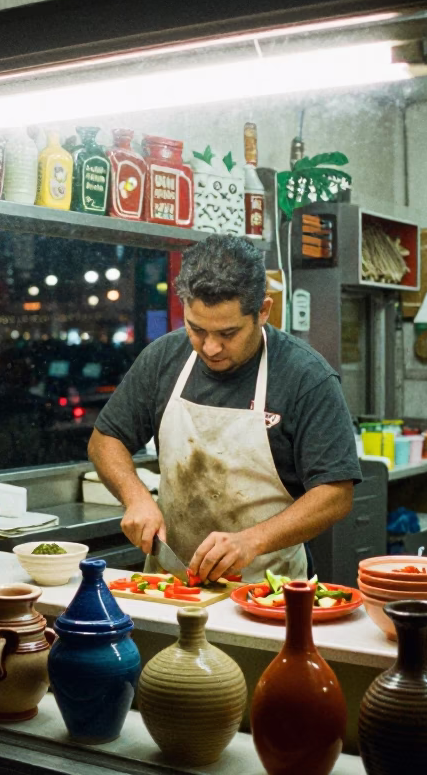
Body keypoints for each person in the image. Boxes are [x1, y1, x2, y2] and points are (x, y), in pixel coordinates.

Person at [88, 235, 361, 584]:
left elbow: (335, 494)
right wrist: (136, 497)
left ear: (263, 311)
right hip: (171, 584)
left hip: (266, 590)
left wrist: (252, 540)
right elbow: (105, 440)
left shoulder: (306, 376)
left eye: (228, 333)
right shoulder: (163, 359)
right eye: (196, 329)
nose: (211, 347)